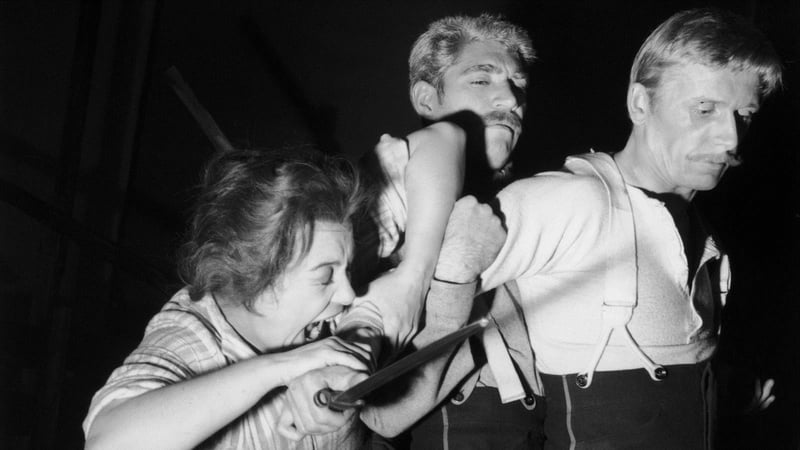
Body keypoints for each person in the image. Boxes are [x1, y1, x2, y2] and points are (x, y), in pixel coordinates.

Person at [469, 7, 783, 448]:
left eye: (744, 114)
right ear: (640, 103)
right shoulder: (565, 201)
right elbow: (402, 301)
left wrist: (717, 390)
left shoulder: (705, 233)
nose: (730, 138)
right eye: (704, 109)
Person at [283, 13, 544, 449]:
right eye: (481, 80)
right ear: (426, 99)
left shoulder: (524, 202)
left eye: (519, 83)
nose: (511, 98)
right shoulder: (384, 187)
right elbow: (380, 402)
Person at [82, 148, 374, 449]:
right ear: (257, 277)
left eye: (347, 269)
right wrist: (283, 367)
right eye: (325, 276)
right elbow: (108, 444)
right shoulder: (193, 339)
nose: (348, 293)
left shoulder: (319, 308)